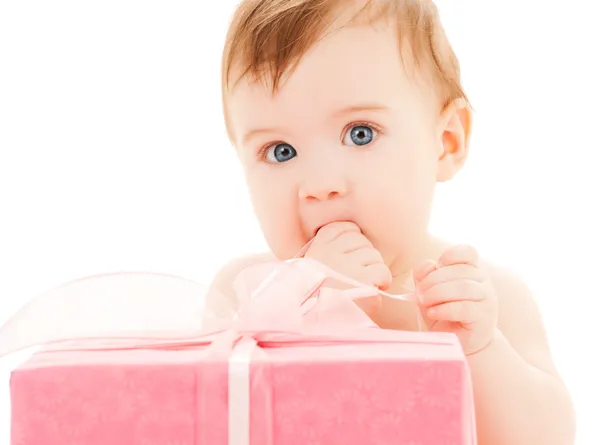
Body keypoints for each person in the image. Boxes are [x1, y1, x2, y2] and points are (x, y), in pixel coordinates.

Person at [206, 1, 576, 444]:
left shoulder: (480, 297)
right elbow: (209, 422)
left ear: (445, 142)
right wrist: (305, 318)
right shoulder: (244, 294)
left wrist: (481, 350)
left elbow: (548, 436)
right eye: (280, 150)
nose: (320, 185)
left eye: (360, 133)